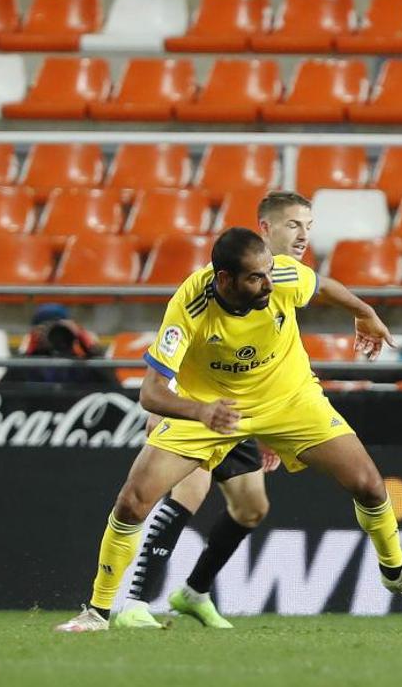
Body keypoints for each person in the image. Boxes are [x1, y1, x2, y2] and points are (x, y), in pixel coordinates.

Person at [54, 227, 402, 632]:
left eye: (269, 273)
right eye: (255, 278)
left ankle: (395, 571)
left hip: (289, 400)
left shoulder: (280, 277)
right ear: (224, 280)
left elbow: (323, 287)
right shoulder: (190, 306)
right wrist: (200, 411)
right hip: (212, 408)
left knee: (370, 484)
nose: (269, 283)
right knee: (133, 501)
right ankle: (98, 612)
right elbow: (150, 393)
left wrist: (363, 312)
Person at [114, 192, 322, 629]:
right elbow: (184, 340)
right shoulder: (221, 278)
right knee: (188, 491)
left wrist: (269, 427)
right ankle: (132, 601)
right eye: (292, 225)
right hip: (203, 408)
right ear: (264, 229)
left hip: (245, 412)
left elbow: (273, 362)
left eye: (307, 225)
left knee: (251, 508)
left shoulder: (289, 280)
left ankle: (194, 592)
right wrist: (172, 404)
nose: (302, 235)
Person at [1, 304, 117, 385]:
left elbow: (113, 385)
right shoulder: (28, 367)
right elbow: (5, 388)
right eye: (45, 327)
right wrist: (31, 347)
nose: (51, 333)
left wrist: (83, 340)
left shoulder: (81, 365)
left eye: (57, 327)